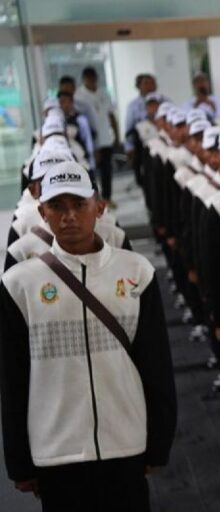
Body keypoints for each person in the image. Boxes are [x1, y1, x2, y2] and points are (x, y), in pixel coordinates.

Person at [0, 161, 177, 511]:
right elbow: (12, 378)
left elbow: (156, 365)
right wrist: (19, 460)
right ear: (41, 212)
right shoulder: (19, 284)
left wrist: (159, 441)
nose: (69, 216)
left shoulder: (137, 273)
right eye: (57, 207)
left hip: (125, 441)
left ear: (99, 207)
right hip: (56, 450)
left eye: (79, 204)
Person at [75, 66, 120, 205]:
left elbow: (111, 114)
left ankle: (107, 197)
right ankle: (94, 199)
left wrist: (116, 135)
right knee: (92, 172)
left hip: (106, 138)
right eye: (89, 79)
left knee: (107, 170)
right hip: (91, 142)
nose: (92, 81)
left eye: (94, 79)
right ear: (84, 79)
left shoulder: (103, 93)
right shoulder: (79, 96)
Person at [125, 74, 158, 185]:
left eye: (152, 83)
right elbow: (129, 128)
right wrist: (129, 148)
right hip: (141, 144)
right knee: (144, 179)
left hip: (159, 141)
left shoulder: (164, 100)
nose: (149, 86)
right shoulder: (133, 105)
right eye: (146, 83)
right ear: (139, 86)